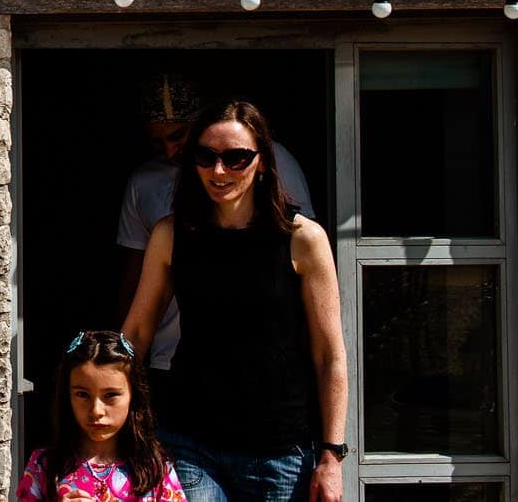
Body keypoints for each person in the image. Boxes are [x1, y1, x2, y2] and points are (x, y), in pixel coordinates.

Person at [123, 101, 348, 502]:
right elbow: (137, 332)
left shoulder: (302, 239)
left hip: (278, 449)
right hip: (189, 439)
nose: (219, 171)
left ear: (262, 163)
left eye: (236, 158)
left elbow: (329, 353)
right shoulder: (172, 234)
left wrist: (332, 455)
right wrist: (107, 414)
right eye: (205, 157)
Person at [115, 76, 314, 398]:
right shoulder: (159, 211)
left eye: (178, 136)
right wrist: (117, 378)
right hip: (176, 358)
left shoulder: (279, 184)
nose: (219, 172)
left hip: (267, 372)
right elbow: (134, 282)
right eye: (206, 159)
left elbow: (297, 260)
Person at [18, 330, 185, 502]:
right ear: (67, 397)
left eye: (111, 395)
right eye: (83, 395)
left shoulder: (155, 469)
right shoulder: (44, 466)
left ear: (133, 396)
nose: (96, 411)